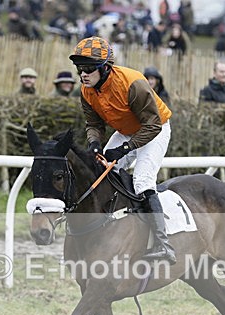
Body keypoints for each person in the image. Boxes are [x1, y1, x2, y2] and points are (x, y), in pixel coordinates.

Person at [69, 36, 175, 264]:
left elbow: (153, 125)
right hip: (127, 130)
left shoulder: (132, 82)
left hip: (154, 129)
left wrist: (126, 148)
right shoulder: (86, 90)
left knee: (143, 181)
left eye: (88, 68)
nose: (83, 74)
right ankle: (110, 223)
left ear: (104, 68)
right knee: (100, 170)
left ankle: (163, 244)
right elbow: (94, 124)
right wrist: (94, 143)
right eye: (79, 69)